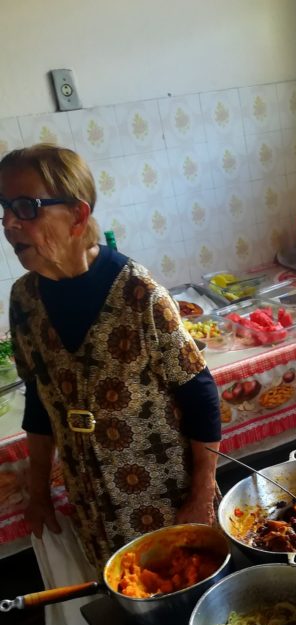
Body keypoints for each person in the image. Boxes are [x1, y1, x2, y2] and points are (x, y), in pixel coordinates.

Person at [1, 144, 221, 574]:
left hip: (165, 500)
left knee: (187, 601)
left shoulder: (138, 294)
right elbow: (39, 404)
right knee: (123, 604)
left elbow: (200, 394)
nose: (10, 224)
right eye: (5, 208)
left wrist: (201, 494)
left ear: (78, 216)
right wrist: (40, 494)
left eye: (26, 208)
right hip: (92, 506)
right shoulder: (24, 300)